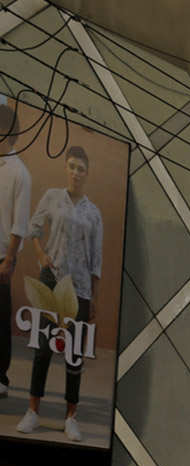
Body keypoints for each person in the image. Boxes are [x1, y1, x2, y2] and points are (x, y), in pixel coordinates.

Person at [15, 145, 102, 442]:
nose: (76, 172)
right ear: (66, 168)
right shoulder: (52, 197)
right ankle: (33, 412)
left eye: (81, 168)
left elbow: (96, 257)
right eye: (71, 166)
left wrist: (94, 297)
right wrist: (41, 256)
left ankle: (70, 418)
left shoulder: (94, 213)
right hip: (50, 282)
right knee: (43, 349)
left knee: (74, 356)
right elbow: (33, 228)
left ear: (87, 174)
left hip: (79, 290)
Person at [0, 104, 30, 400]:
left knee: (0, 318)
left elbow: (20, 224)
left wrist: (9, 261)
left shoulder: (20, 173)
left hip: (1, 257)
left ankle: (1, 378)